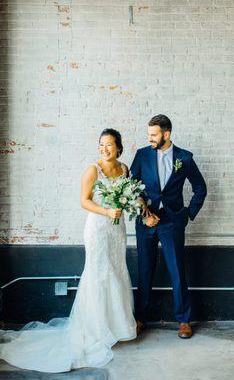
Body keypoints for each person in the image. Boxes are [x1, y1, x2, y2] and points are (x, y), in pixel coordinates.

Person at [0, 128, 136, 373]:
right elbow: (84, 200)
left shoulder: (124, 169)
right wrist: (107, 211)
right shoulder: (92, 170)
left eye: (109, 145)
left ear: (118, 147)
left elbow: (127, 197)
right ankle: (95, 329)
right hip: (98, 228)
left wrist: (127, 206)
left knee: (116, 270)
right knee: (98, 274)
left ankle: (116, 327)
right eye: (101, 145)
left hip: (117, 229)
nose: (104, 149)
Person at [130, 115, 207, 339]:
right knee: (145, 269)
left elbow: (200, 187)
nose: (150, 139)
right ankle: (140, 318)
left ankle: (183, 320)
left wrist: (189, 214)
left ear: (166, 134)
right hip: (146, 221)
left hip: (172, 221)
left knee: (177, 270)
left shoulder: (185, 158)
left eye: (154, 135)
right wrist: (143, 214)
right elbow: (132, 187)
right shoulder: (142, 155)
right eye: (149, 135)